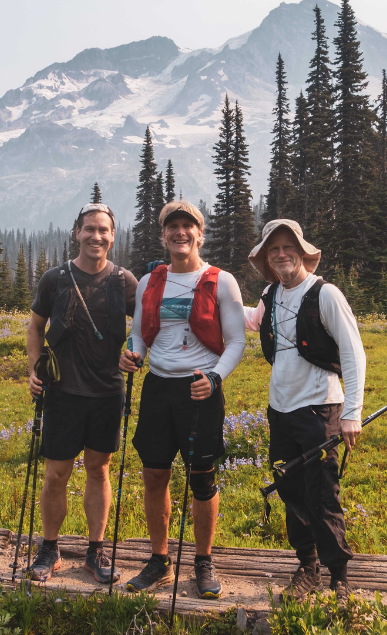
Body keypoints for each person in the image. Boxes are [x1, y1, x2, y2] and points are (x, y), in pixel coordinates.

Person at [118, 200, 246, 599]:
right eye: (172, 227)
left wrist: (214, 377)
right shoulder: (149, 281)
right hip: (158, 386)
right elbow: (139, 333)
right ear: (163, 235)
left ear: (199, 233)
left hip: (200, 388)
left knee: (202, 477)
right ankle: (159, 559)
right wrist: (132, 351)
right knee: (154, 474)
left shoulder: (221, 281)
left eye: (187, 227)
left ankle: (203, 561)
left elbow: (237, 341)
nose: (180, 233)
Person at [241, 219, 366, 604]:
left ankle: (339, 577)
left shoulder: (325, 294)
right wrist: (217, 296)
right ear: (267, 258)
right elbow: (253, 322)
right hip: (280, 410)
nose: (281, 254)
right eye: (273, 249)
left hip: (320, 408)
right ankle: (307, 566)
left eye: (287, 247)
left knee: (322, 493)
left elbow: (353, 351)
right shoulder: (270, 293)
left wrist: (352, 412)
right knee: (291, 490)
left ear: (302, 252)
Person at [25, 203, 139, 583]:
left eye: (103, 230)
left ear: (112, 235)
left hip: (107, 392)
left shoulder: (125, 281)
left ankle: (96, 552)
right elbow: (35, 327)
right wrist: (33, 370)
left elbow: (144, 325)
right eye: (89, 229)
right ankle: (49, 548)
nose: (96, 236)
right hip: (61, 392)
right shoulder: (54, 279)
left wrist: (134, 352)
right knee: (56, 474)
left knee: (98, 469)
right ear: (77, 232)